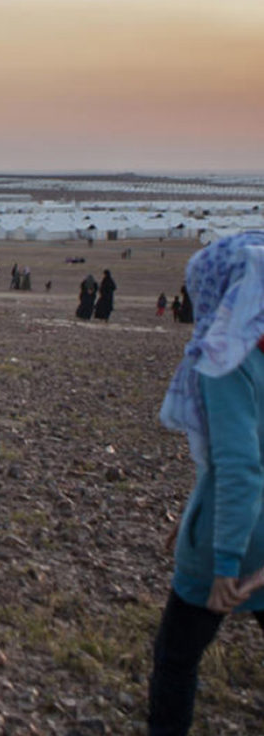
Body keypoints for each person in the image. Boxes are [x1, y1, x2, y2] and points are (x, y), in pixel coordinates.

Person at [148, 231, 264, 735]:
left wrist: (223, 562)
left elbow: (239, 467)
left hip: (233, 538)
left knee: (176, 660)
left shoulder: (225, 360)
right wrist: (187, 512)